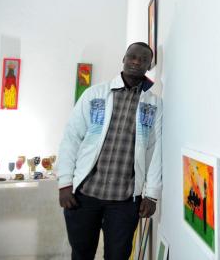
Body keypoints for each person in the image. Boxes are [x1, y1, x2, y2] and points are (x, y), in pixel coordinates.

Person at [57, 42, 162, 260]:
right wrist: (65, 182)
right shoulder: (94, 94)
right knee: (81, 254)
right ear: (123, 58)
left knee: (118, 256)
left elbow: (156, 149)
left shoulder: (154, 105)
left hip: (125, 201)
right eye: (132, 56)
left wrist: (152, 194)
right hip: (84, 196)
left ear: (149, 65)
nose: (136, 61)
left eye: (142, 59)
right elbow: (71, 138)